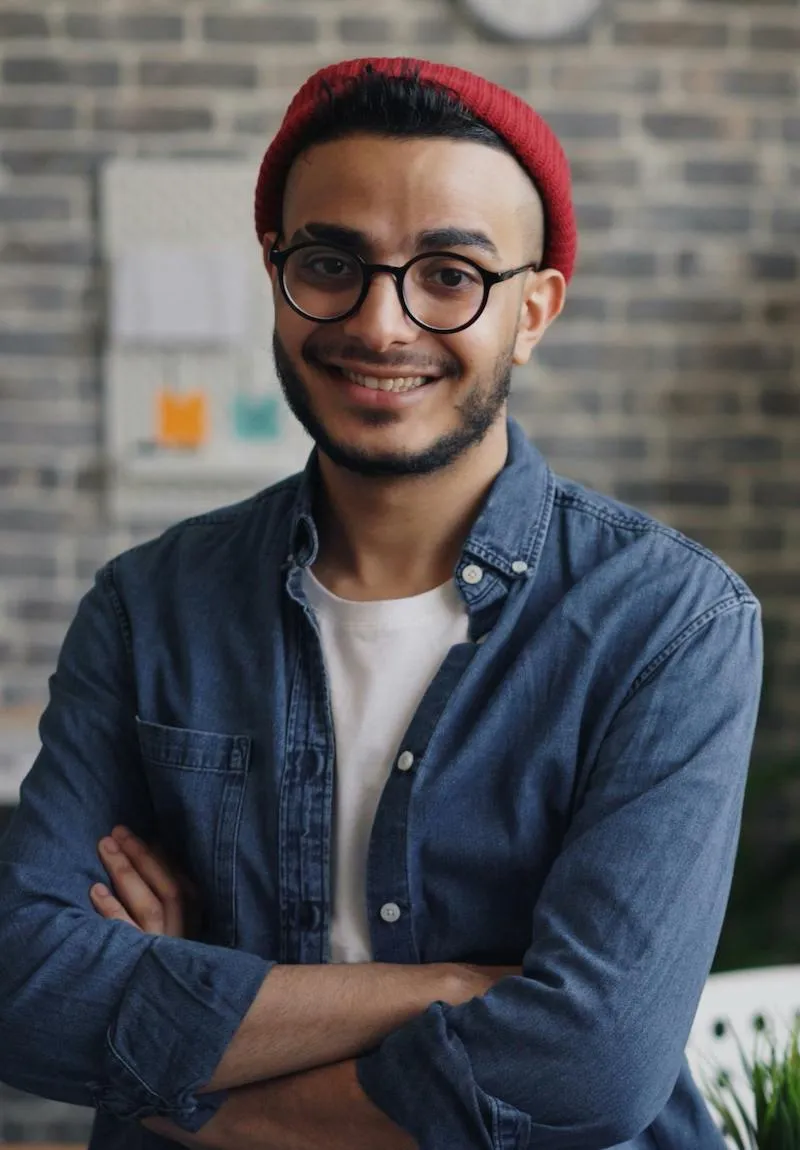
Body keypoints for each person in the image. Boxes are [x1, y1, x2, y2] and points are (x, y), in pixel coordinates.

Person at [0, 56, 762, 1150]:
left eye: (448, 273)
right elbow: (25, 992)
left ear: (532, 310)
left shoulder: (670, 624)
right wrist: (449, 987)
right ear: (275, 276)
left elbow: (588, 1065)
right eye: (329, 262)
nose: (380, 323)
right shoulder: (146, 607)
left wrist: (176, 1074)